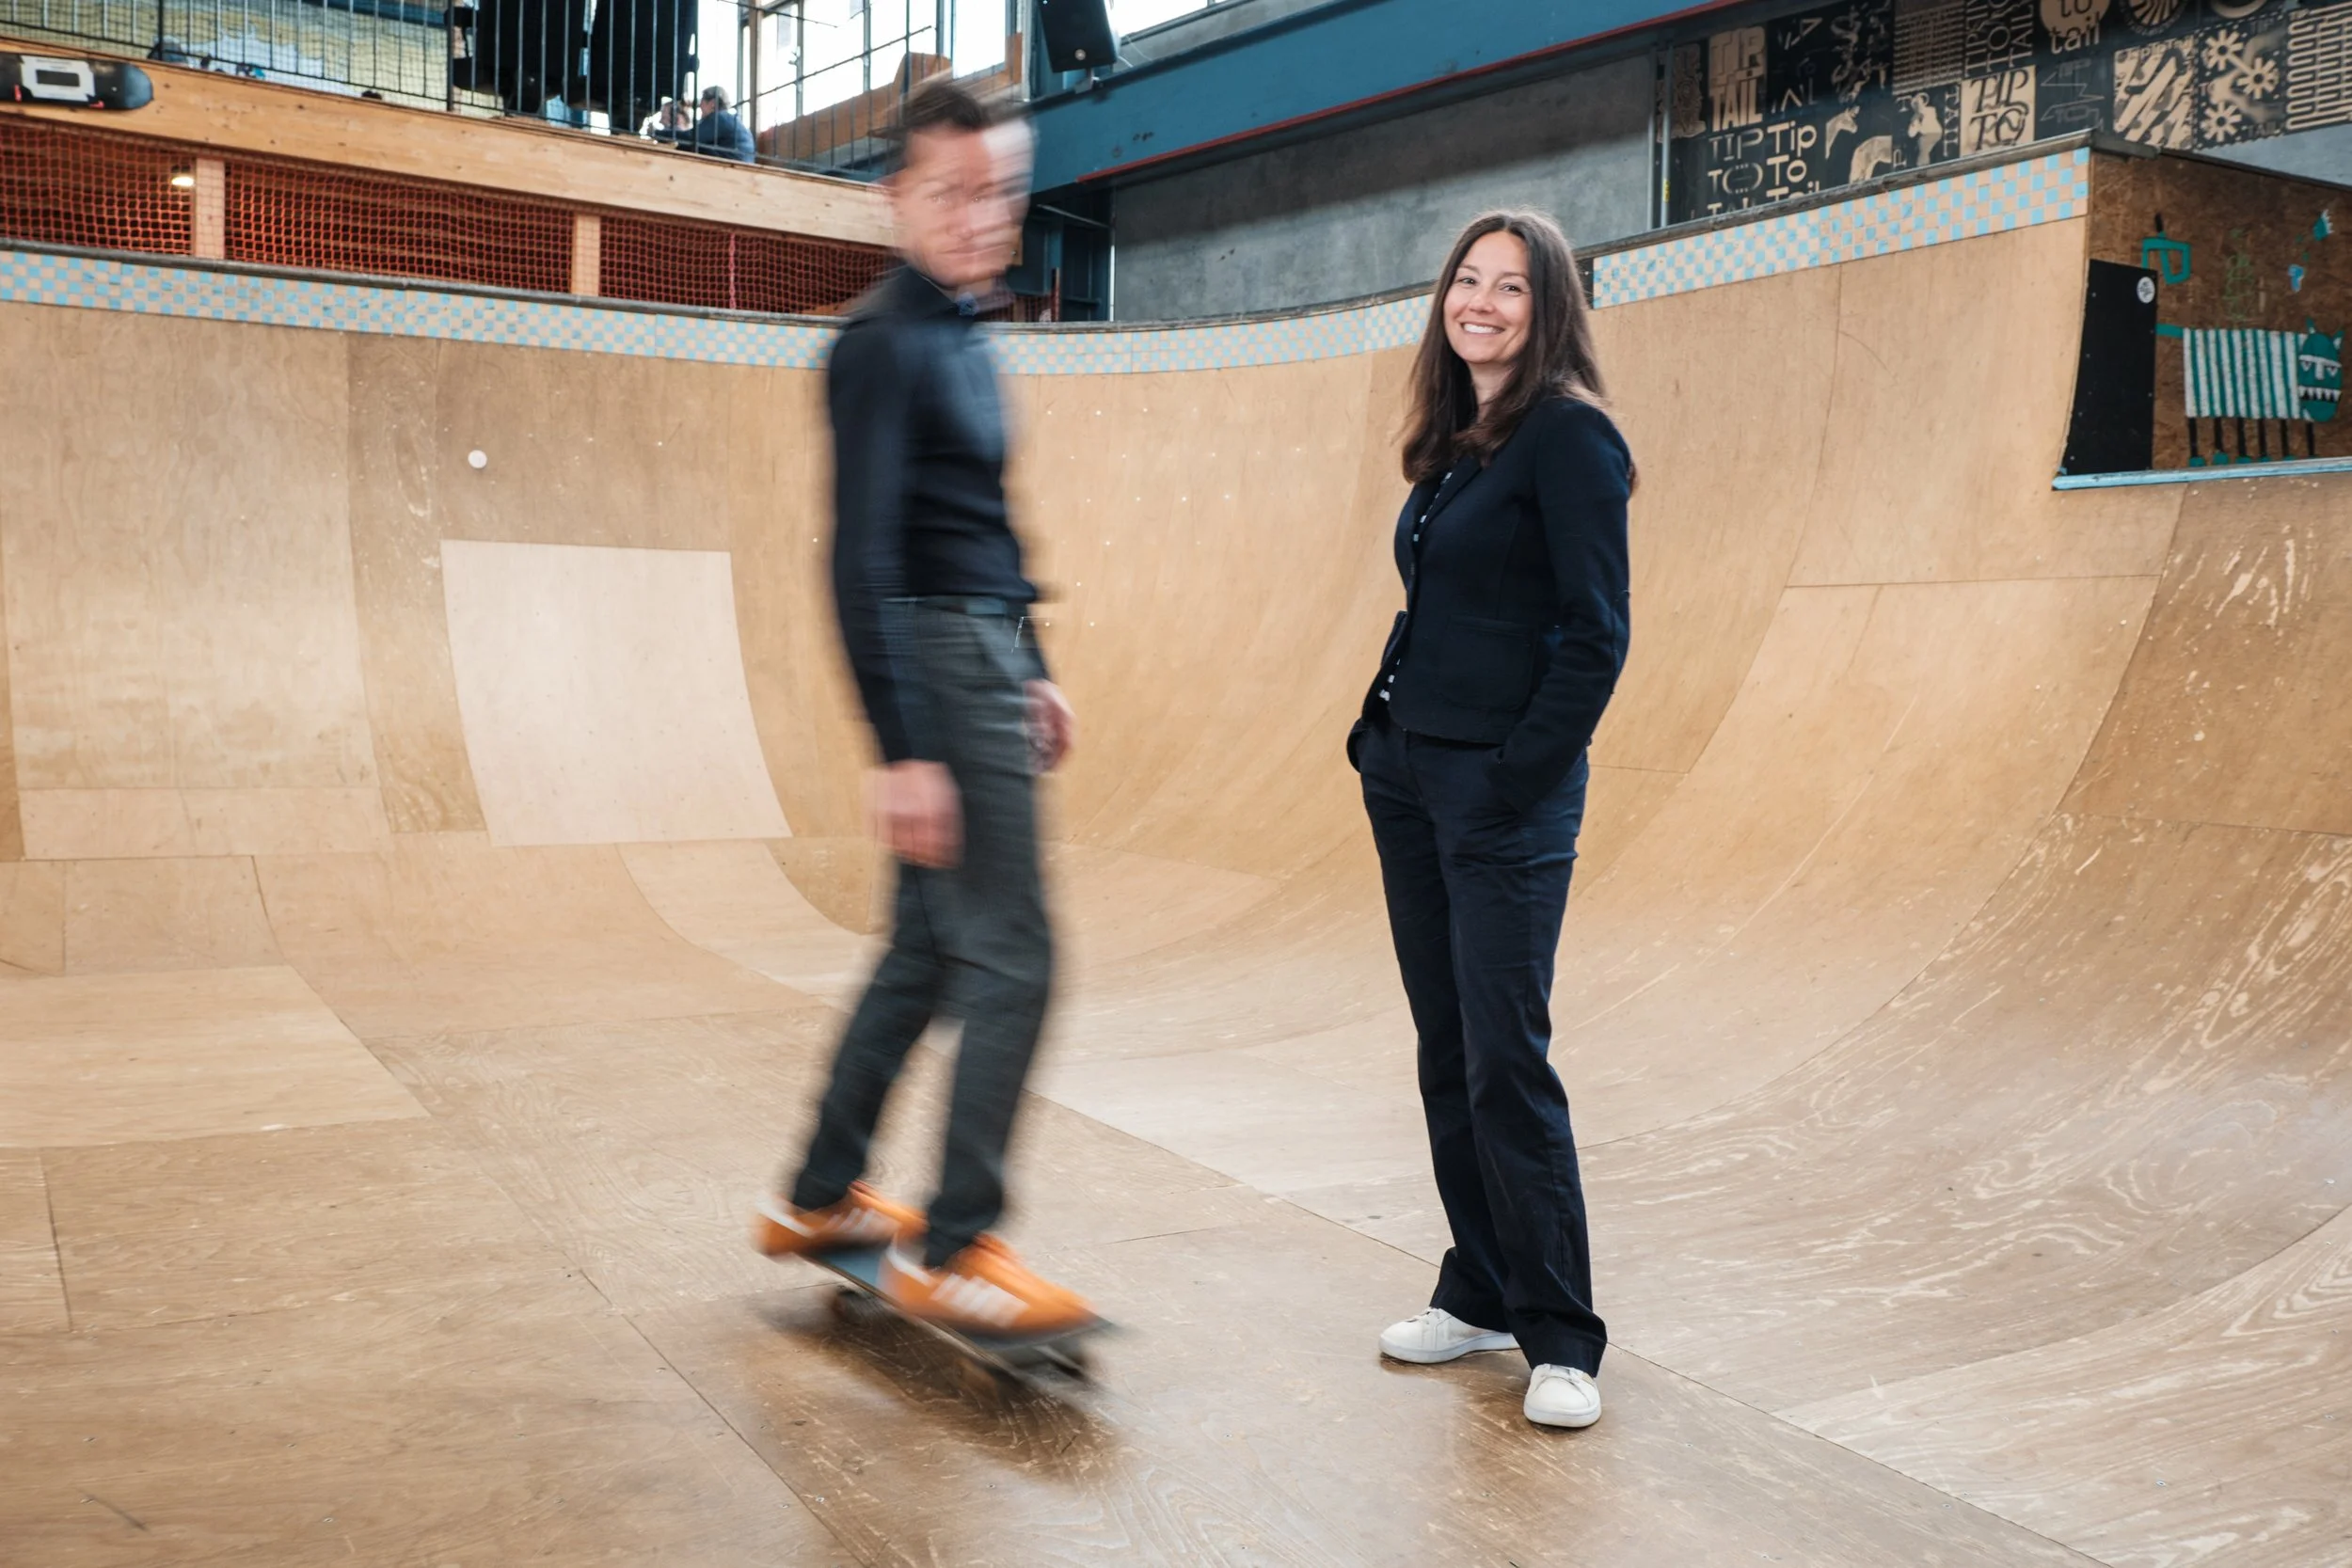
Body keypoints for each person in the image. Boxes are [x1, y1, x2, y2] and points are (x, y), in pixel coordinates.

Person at [751, 78, 1092, 1337]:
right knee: (1018, 953)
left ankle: (819, 1190)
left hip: (986, 651)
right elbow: (860, 552)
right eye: (951, 189)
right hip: (934, 663)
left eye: (1001, 189)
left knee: (930, 950)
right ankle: (954, 1243)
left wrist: (1036, 656)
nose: (978, 213)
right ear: (898, 195)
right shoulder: (883, 340)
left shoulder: (964, 332)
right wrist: (902, 750)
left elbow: (986, 525)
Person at [1347, 211, 1633, 1430]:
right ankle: (1478, 1284)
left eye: (1510, 286)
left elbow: (1597, 632)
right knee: (1447, 1049)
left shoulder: (1570, 436)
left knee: (1508, 1057)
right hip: (1409, 776)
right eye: (1467, 279)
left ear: (1548, 305)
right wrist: (1390, 742)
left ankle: (1561, 1332)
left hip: (1499, 793)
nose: (1482, 301)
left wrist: (1517, 775)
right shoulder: (1459, 440)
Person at [657, 85, 755, 163]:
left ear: (712, 103)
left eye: (702, 102)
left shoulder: (720, 118)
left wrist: (657, 134)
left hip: (732, 165)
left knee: (693, 147)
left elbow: (691, 137)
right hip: (739, 163)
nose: (700, 107)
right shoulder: (730, 119)